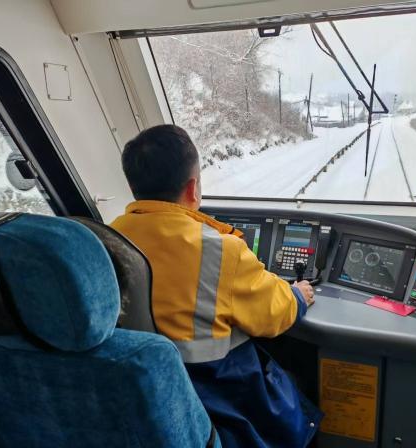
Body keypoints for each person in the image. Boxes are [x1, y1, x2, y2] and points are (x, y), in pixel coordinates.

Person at [111, 124, 323, 447]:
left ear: (132, 186)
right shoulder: (220, 249)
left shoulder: (108, 237)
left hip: (144, 393)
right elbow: (273, 315)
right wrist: (298, 295)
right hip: (216, 398)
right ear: (193, 188)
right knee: (297, 391)